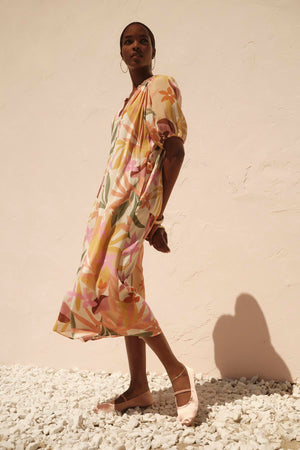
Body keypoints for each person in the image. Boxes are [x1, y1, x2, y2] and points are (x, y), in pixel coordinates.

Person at [52, 21, 198, 426]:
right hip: (109, 208)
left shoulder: (160, 86)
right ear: (121, 54)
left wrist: (154, 215)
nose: (135, 46)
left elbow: (174, 152)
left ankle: (177, 371)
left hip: (136, 205)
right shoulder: (128, 100)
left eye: (143, 40)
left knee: (111, 288)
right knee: (127, 286)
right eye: (128, 41)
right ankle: (139, 388)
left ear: (153, 50)